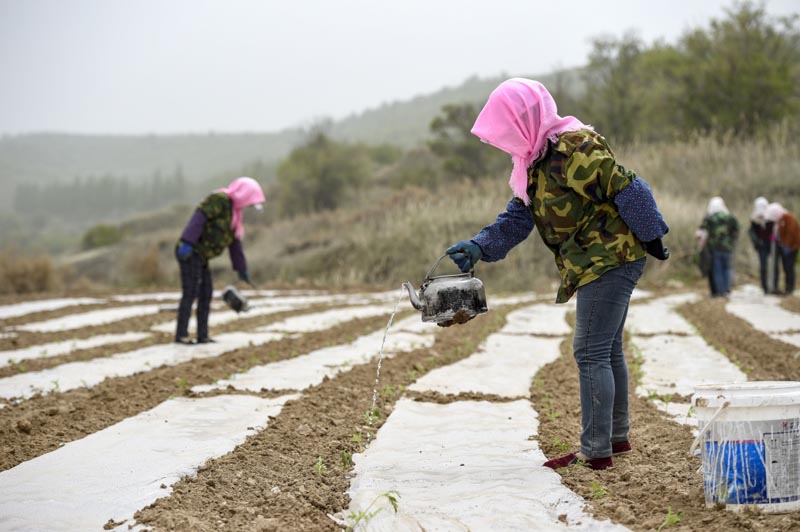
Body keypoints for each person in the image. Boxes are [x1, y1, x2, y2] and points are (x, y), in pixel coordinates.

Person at [445, 78, 669, 471]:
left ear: (525, 119)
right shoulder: (534, 162)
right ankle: (615, 438)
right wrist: (479, 246)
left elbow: (628, 187)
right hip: (596, 260)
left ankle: (595, 450)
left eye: (507, 128)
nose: (505, 140)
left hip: (610, 258)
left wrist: (652, 236)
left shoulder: (572, 147)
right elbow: (518, 217)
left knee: (589, 350)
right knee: (606, 347)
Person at [174, 176, 265, 344]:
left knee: (206, 293)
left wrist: (241, 269)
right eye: (250, 202)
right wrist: (187, 241)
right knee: (190, 292)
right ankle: (181, 335)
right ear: (244, 195)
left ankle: (203, 335)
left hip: (201, 256)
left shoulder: (235, 216)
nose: (249, 206)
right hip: (190, 251)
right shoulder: (220, 200)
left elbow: (235, 244)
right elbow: (199, 217)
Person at [698, 197, 739, 297]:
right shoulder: (729, 216)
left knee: (718, 269)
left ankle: (720, 292)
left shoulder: (710, 217)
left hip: (715, 247)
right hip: (728, 247)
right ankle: (726, 290)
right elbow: (737, 229)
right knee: (727, 268)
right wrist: (731, 241)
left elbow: (702, 231)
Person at [764, 202, 800, 296]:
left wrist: (786, 245)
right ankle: (785, 288)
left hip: (791, 248)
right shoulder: (780, 220)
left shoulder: (789, 219)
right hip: (783, 247)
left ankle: (790, 288)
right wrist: (774, 239)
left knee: (789, 268)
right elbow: (779, 233)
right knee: (785, 267)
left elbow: (791, 233)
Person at [747, 197, 775, 294]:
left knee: (774, 265)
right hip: (762, 245)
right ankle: (765, 287)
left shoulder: (772, 217)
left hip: (772, 244)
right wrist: (757, 241)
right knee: (763, 266)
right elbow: (752, 232)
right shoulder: (754, 218)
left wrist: (773, 240)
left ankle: (773, 285)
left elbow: (774, 231)